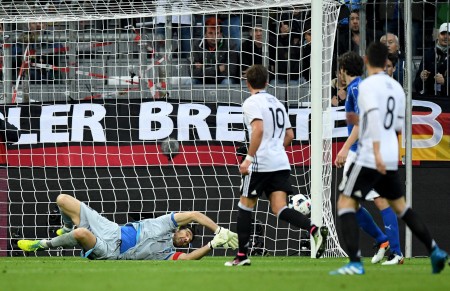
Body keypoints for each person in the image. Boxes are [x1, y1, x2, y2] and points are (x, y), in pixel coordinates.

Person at [330, 42, 448, 275]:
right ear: (386, 61)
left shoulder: (364, 87)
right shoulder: (396, 88)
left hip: (369, 156)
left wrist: (370, 152)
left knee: (345, 204)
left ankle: (355, 262)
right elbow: (396, 126)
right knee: (400, 207)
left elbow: (368, 121)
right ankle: (434, 250)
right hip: (390, 154)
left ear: (366, 61)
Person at [225, 64, 328, 267]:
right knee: (279, 208)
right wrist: (275, 150)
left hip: (260, 164)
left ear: (247, 83)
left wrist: (249, 158)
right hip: (280, 162)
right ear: (267, 82)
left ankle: (242, 256)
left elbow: (258, 129)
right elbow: (290, 135)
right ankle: (314, 229)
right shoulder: (277, 103)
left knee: (244, 206)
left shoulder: (251, 102)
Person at [335, 51, 404, 266]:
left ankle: (394, 250)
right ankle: (386, 243)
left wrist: (344, 149)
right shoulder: (358, 87)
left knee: (361, 201)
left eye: (341, 70)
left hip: (361, 151)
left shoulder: (357, 89)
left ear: (344, 70)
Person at [17, 194, 238, 260]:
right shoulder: (165, 223)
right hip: (112, 230)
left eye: (188, 241)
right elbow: (195, 215)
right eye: (186, 233)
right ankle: (66, 230)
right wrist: (218, 230)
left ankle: (42, 245)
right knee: (62, 200)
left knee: (81, 233)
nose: (186, 239)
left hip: (112, 251)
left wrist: (211, 244)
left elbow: (189, 259)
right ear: (179, 229)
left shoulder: (167, 254)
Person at [191, 16, 238, 85]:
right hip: (203, 80)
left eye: (217, 33)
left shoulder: (230, 45)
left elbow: (231, 71)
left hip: (221, 79)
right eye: (210, 33)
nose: (214, 37)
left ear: (221, 34)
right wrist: (219, 69)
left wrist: (204, 68)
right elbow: (193, 72)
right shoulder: (196, 45)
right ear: (205, 34)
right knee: (191, 81)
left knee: (227, 82)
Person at [414, 22, 450, 97]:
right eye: (443, 34)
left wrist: (445, 82)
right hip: (430, 97)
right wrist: (421, 78)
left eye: (449, 34)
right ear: (438, 35)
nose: (446, 37)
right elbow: (416, 84)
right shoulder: (428, 54)